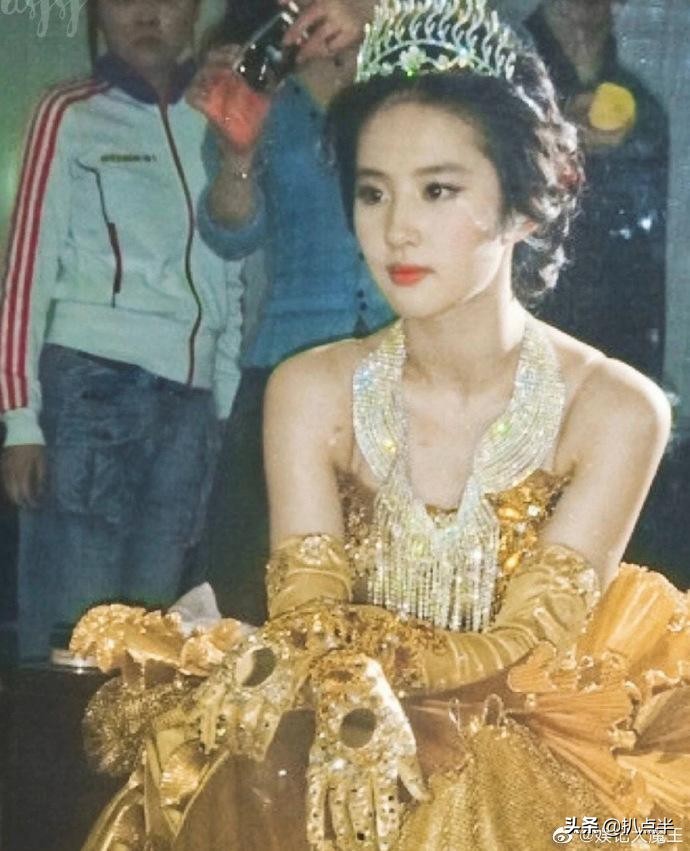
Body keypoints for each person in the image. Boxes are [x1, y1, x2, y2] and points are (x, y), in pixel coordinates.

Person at [72, 1, 689, 849]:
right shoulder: (310, 389)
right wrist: (341, 677)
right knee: (251, 772)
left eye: (438, 190)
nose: (396, 228)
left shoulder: (616, 408)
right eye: (372, 192)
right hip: (334, 723)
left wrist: (378, 665)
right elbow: (307, 611)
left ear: (526, 205)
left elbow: (528, 647)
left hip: (533, 754)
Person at [0, 0, 245, 660]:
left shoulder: (215, 116)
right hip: (92, 391)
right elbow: (26, 267)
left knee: (153, 645)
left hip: (190, 407)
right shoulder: (70, 113)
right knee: (75, 633)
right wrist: (20, 419)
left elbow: (231, 267)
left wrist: (223, 406)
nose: (146, 13)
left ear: (193, 11)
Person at [187, 0, 395, 623]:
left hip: (403, 362)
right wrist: (236, 153)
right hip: (283, 366)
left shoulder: (413, 62)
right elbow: (231, 233)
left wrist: (380, 23)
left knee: (385, 596)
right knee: (250, 591)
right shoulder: (259, 73)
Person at [526, 0, 668, 381]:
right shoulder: (501, 88)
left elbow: (649, 273)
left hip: (618, 340)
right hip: (530, 326)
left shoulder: (647, 114)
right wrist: (551, 134)